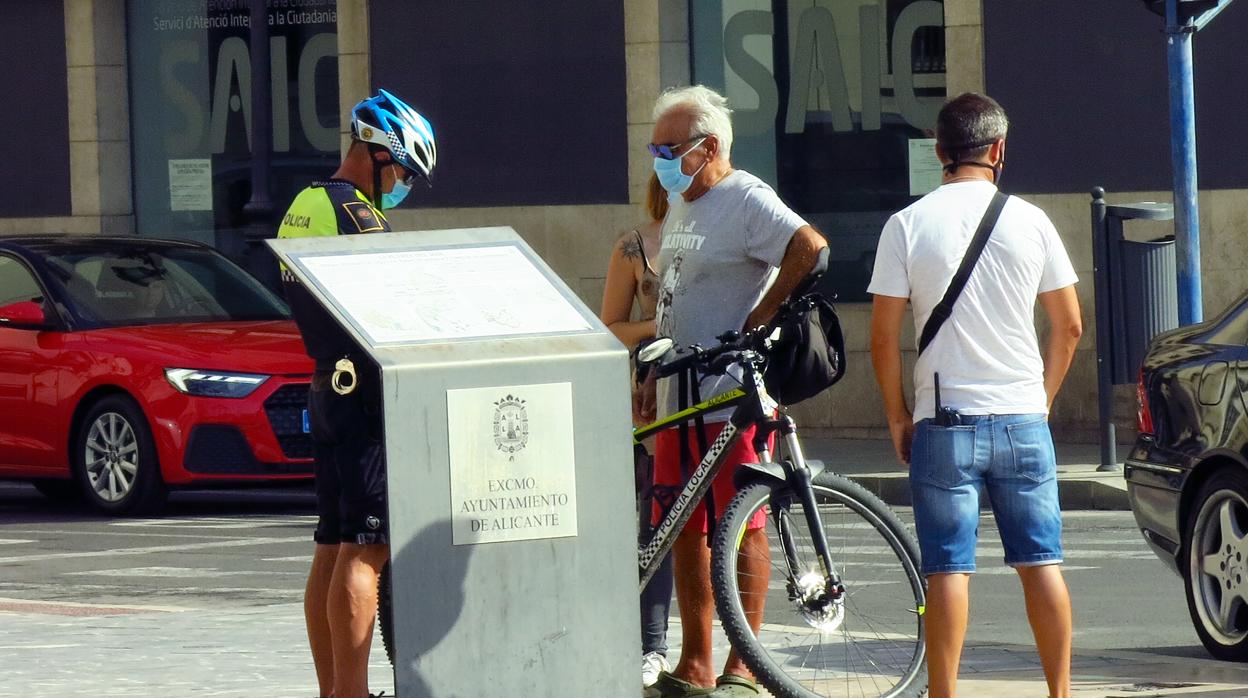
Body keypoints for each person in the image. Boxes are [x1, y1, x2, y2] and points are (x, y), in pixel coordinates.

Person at [867, 92, 1081, 698]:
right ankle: (1060, 693)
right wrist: (1040, 401)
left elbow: (882, 339)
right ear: (998, 150)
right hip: (1021, 417)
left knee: (947, 570)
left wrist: (898, 417)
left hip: (944, 419)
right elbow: (1068, 326)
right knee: (1041, 563)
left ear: (939, 151)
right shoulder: (1032, 220)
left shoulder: (906, 224)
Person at [643, 85, 827, 698]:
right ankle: (696, 662)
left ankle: (743, 667)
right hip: (680, 393)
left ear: (708, 146)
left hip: (732, 394)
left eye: (668, 147)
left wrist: (762, 318)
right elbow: (670, 297)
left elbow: (809, 246)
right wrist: (650, 375)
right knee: (682, 524)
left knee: (739, 524)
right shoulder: (681, 203)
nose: (658, 158)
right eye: (653, 147)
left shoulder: (744, 197)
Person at [277, 89, 436, 698]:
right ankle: (352, 692)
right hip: (364, 397)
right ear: (377, 154)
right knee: (367, 548)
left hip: (324, 386)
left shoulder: (302, 204)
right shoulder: (356, 214)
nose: (403, 186)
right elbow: (392, 312)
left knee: (332, 543)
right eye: (403, 172)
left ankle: (333, 690)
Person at [599, 172, 674, 687]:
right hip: (649, 401)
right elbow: (608, 326)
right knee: (652, 524)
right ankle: (652, 645)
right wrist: (659, 326)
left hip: (709, 391)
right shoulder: (634, 245)